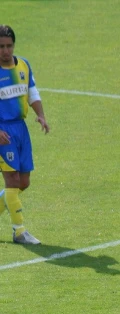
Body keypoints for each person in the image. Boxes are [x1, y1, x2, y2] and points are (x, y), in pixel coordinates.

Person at [0, 25, 49, 245]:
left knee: (24, 182)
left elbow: (31, 92)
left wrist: (41, 115)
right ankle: (19, 231)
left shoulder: (23, 66)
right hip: (3, 131)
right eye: (1, 46)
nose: (5, 51)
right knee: (11, 182)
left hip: (21, 129)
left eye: (9, 46)